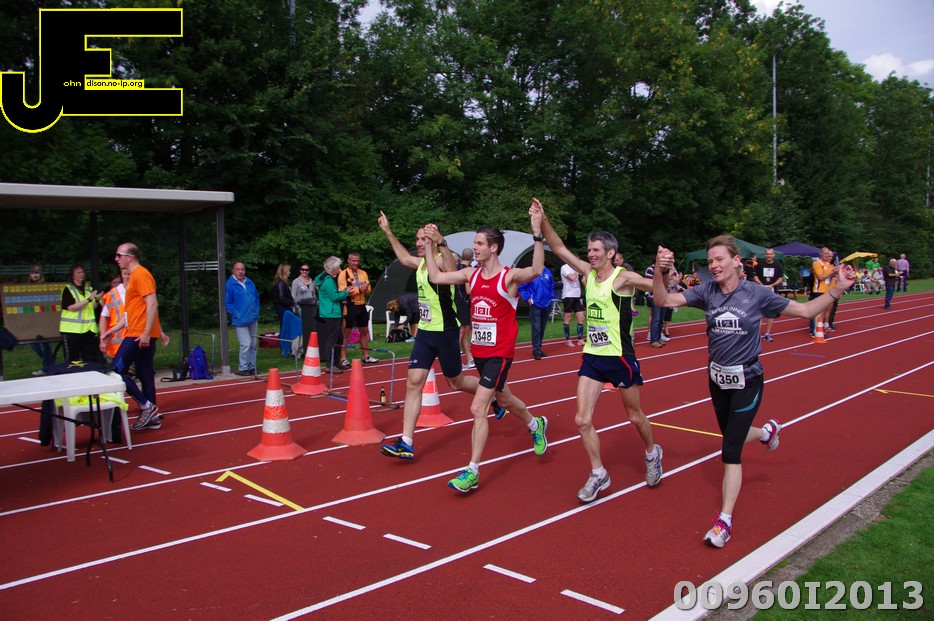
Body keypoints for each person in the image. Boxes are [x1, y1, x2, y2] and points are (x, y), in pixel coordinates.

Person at [652, 236, 856, 548]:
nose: (714, 265)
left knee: (730, 450)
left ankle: (724, 522)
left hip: (747, 379)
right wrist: (661, 270)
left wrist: (838, 288)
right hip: (717, 379)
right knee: (732, 435)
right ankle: (766, 433)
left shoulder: (756, 293)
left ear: (736, 261)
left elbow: (805, 311)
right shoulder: (706, 292)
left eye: (720, 259)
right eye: (710, 261)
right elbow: (663, 300)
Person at [539, 201, 664, 502]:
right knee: (582, 420)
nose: (590, 254)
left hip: (621, 357)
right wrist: (542, 220)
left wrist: (662, 268)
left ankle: (652, 453)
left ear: (610, 253)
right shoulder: (587, 272)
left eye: (596, 250)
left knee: (634, 416)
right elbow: (558, 248)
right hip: (593, 357)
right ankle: (598, 473)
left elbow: (659, 291)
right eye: (589, 250)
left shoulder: (624, 278)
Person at [423, 204, 549, 491]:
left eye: (479, 243)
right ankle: (535, 425)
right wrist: (430, 247)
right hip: (479, 353)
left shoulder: (509, 277)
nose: (475, 247)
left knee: (478, 407)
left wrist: (537, 233)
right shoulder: (472, 274)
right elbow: (436, 277)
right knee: (505, 400)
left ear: (493, 248)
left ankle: (472, 471)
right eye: (475, 243)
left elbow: (537, 269)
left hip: (500, 354)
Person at [376, 210, 503, 460]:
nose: (418, 243)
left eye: (423, 239)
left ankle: (493, 393)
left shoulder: (444, 261)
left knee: (455, 382)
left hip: (445, 332)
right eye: (417, 239)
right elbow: (403, 257)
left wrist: (441, 241)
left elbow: (452, 270)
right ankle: (406, 442)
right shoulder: (421, 263)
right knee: (413, 382)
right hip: (425, 332)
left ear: (433, 241)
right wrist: (388, 231)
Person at [111, 243, 170, 431]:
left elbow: (152, 304)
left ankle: (147, 406)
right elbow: (134, 311)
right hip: (139, 331)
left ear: (129, 257)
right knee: (145, 374)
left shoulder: (141, 275)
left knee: (116, 370)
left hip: (138, 333)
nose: (116, 259)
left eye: (119, 255)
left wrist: (146, 333)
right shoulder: (135, 276)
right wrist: (111, 330)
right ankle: (152, 418)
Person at [316, 256, 358, 373]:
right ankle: (330, 365)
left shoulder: (324, 278)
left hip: (331, 312)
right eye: (338, 266)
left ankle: (336, 362)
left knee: (339, 337)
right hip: (331, 312)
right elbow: (334, 297)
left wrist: (343, 291)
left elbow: (332, 293)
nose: (339, 268)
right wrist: (346, 292)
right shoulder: (328, 281)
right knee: (333, 339)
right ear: (333, 267)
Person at [338, 252, 377, 367]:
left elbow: (368, 289)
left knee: (364, 331)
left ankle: (366, 356)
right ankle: (343, 358)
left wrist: (364, 289)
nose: (356, 263)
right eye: (353, 261)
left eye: (357, 261)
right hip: (349, 305)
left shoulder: (363, 273)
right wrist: (359, 290)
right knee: (346, 332)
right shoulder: (343, 274)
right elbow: (344, 291)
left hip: (361, 305)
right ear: (348, 261)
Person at [60, 263, 103, 363]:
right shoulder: (68, 289)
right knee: (72, 359)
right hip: (71, 330)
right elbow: (71, 307)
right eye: (78, 273)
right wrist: (88, 300)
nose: (81, 274)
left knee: (89, 358)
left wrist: (97, 300)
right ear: (72, 275)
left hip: (88, 329)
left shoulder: (88, 289)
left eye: (83, 272)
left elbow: (92, 307)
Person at [225, 262, 260, 376]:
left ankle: (252, 366)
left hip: (252, 317)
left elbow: (256, 297)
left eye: (242, 269)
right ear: (233, 271)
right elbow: (228, 302)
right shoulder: (230, 284)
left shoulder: (249, 282)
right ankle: (243, 367)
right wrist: (236, 314)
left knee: (253, 344)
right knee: (245, 344)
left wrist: (256, 311)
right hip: (240, 319)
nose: (240, 272)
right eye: (238, 269)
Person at [518, 266, 554, 360]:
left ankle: (538, 348)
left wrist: (551, 297)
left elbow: (551, 286)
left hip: (546, 304)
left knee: (542, 328)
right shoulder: (530, 272)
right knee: (536, 328)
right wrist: (528, 298)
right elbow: (522, 287)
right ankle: (536, 350)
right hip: (535, 304)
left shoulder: (548, 272)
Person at [26, 265, 55, 376]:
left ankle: (47, 367)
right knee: (31, 343)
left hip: (44, 321)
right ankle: (49, 362)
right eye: (33, 273)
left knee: (44, 344)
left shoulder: (45, 287)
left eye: (37, 273)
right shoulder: (25, 288)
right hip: (30, 321)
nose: (35, 275)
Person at [754, 247, 785, 342]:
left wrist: (772, 285)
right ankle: (756, 333)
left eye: (770, 254)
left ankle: (767, 333)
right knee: (759, 312)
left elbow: (780, 278)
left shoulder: (777, 265)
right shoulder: (760, 264)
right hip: (761, 291)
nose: (769, 256)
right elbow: (755, 276)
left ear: (773, 255)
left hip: (772, 291)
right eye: (767, 254)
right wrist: (761, 284)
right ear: (765, 254)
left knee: (770, 313)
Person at [98, 270, 128, 363]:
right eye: (125, 274)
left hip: (133, 339)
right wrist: (103, 339)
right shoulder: (110, 295)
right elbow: (103, 317)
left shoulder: (139, 291)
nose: (127, 276)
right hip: (116, 342)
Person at [809, 247, 838, 337]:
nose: (827, 256)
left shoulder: (828, 264)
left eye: (828, 254)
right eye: (825, 253)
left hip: (827, 290)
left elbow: (832, 276)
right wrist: (832, 273)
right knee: (818, 312)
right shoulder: (818, 263)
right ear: (821, 253)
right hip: (819, 290)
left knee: (824, 310)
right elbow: (820, 277)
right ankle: (815, 330)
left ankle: (820, 328)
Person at [291, 262, 318, 349]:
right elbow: (293, 296)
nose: (304, 271)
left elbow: (314, 294)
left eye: (306, 270)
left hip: (311, 308)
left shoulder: (311, 281)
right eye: (302, 269)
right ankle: (299, 347)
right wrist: (297, 308)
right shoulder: (296, 281)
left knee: (311, 327)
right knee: (302, 328)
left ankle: (309, 345)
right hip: (300, 308)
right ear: (300, 270)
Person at [456, 249, 474, 370]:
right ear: (472, 259)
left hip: (456, 301)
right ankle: (454, 359)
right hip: (462, 302)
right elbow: (468, 291)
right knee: (462, 331)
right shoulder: (468, 271)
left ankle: (470, 358)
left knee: (464, 331)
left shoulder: (455, 268)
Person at [559, 263, 585, 346]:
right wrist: (577, 272)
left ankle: (580, 339)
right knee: (568, 318)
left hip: (577, 296)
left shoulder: (576, 268)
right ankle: (568, 340)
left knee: (581, 318)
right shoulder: (565, 267)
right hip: (568, 296)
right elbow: (571, 278)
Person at [644, 256, 665, 348]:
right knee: (656, 319)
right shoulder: (651, 269)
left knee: (661, 319)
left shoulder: (664, 270)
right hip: (654, 296)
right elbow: (649, 283)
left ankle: (658, 338)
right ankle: (654, 340)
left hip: (663, 296)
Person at [271, 263, 295, 337]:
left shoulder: (281, 282)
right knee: (285, 326)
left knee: (285, 325)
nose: (289, 272)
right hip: (283, 307)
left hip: (282, 307)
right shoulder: (281, 282)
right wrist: (291, 303)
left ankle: (285, 340)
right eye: (288, 270)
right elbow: (281, 298)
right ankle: (284, 341)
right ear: (285, 271)